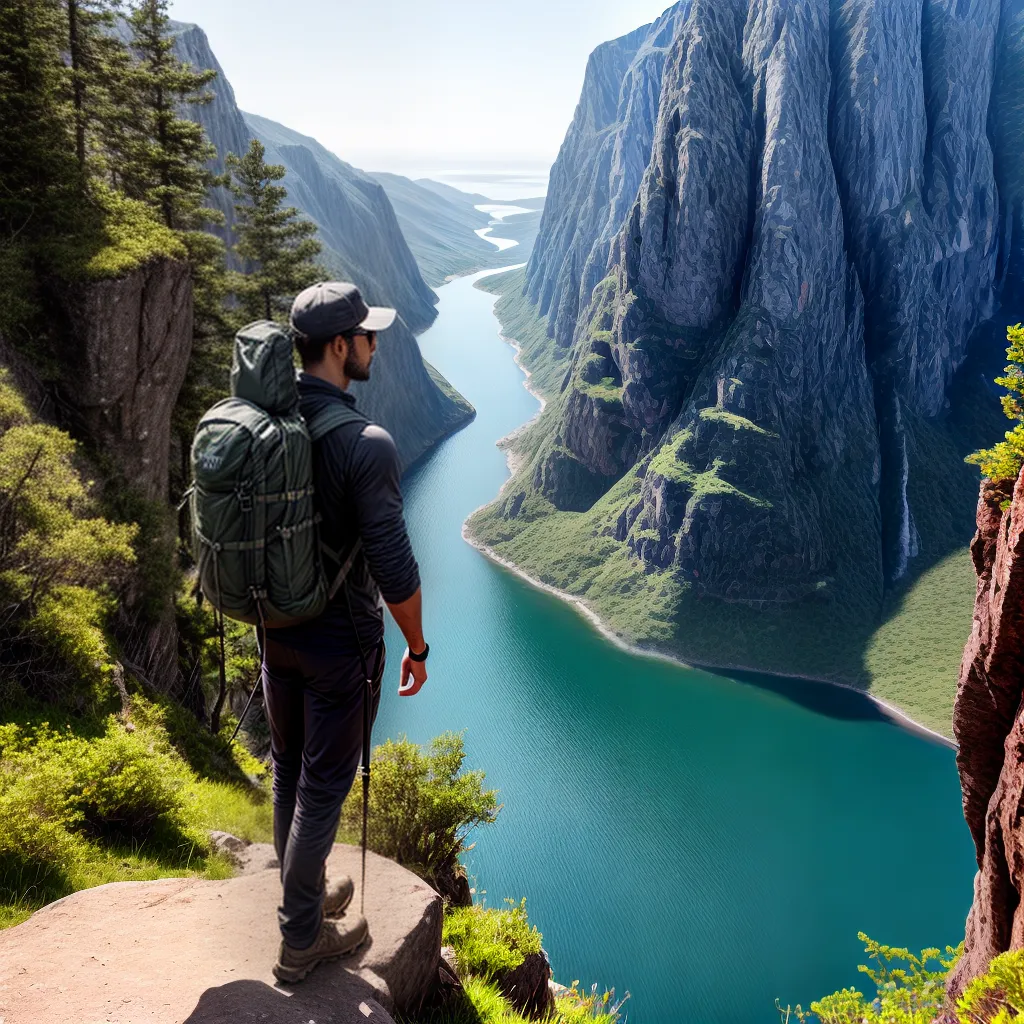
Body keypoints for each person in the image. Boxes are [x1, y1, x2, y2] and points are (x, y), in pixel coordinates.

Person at [265, 281, 430, 984]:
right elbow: (394, 569)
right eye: (367, 337)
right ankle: (302, 937)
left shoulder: (271, 426)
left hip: (276, 632)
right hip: (341, 645)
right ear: (339, 347)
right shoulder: (364, 443)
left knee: (288, 769)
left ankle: (301, 894)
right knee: (323, 786)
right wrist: (418, 649)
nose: (375, 345)